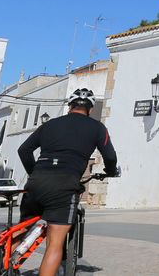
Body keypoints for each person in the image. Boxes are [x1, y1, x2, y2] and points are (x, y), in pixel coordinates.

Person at [17, 88, 118, 276]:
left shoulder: (49, 125)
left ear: (70, 106)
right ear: (89, 109)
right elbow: (110, 157)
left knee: (20, 230)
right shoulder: (97, 128)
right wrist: (110, 172)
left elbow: (24, 150)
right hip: (64, 187)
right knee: (54, 244)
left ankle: (1, 265)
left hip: (36, 182)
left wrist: (34, 174)